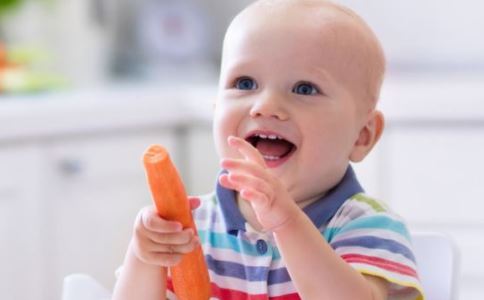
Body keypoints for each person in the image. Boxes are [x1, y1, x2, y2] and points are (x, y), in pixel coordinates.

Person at [112, 0, 424, 299]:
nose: (266, 106)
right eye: (245, 83)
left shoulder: (367, 226)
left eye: (304, 88)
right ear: (216, 106)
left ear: (362, 136)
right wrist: (144, 257)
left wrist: (286, 221)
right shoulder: (191, 225)